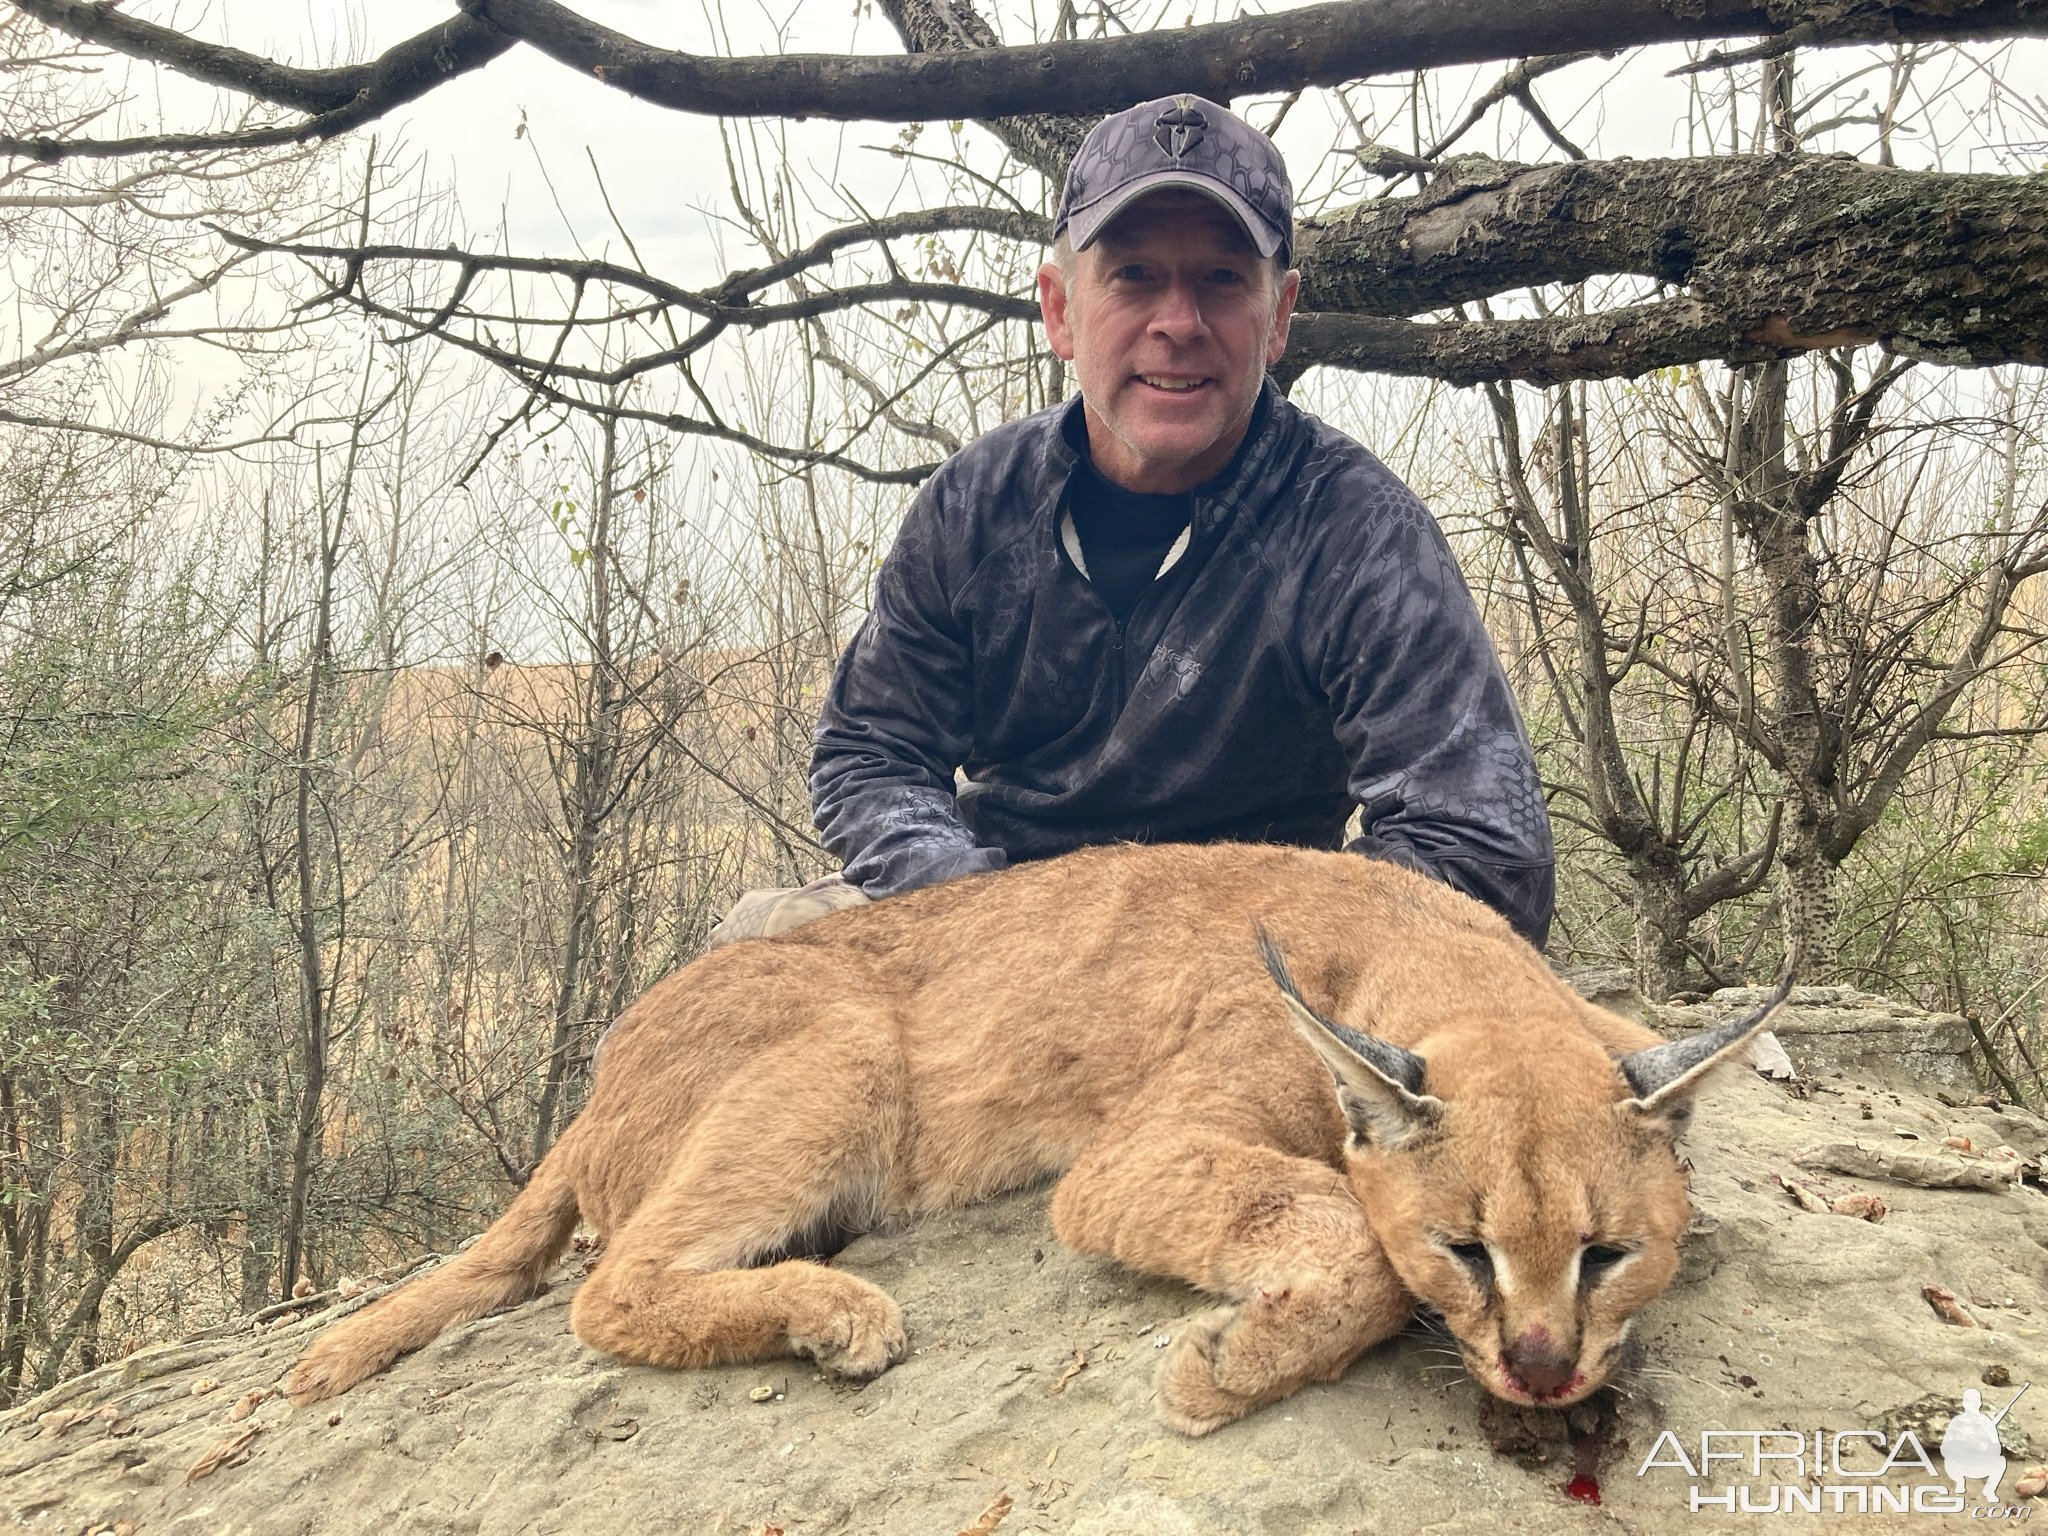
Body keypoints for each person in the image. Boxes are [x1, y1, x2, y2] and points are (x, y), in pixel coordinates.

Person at [708, 93, 1553, 949]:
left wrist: (1202, 949)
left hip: (1244, 950)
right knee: (755, 954)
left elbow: (1484, 854)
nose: (1178, 324)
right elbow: (870, 749)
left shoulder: (1360, 536)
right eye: (1135, 275)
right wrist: (982, 916)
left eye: (1223, 279)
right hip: (998, 920)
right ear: (1060, 311)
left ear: (1280, 317)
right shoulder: (973, 505)